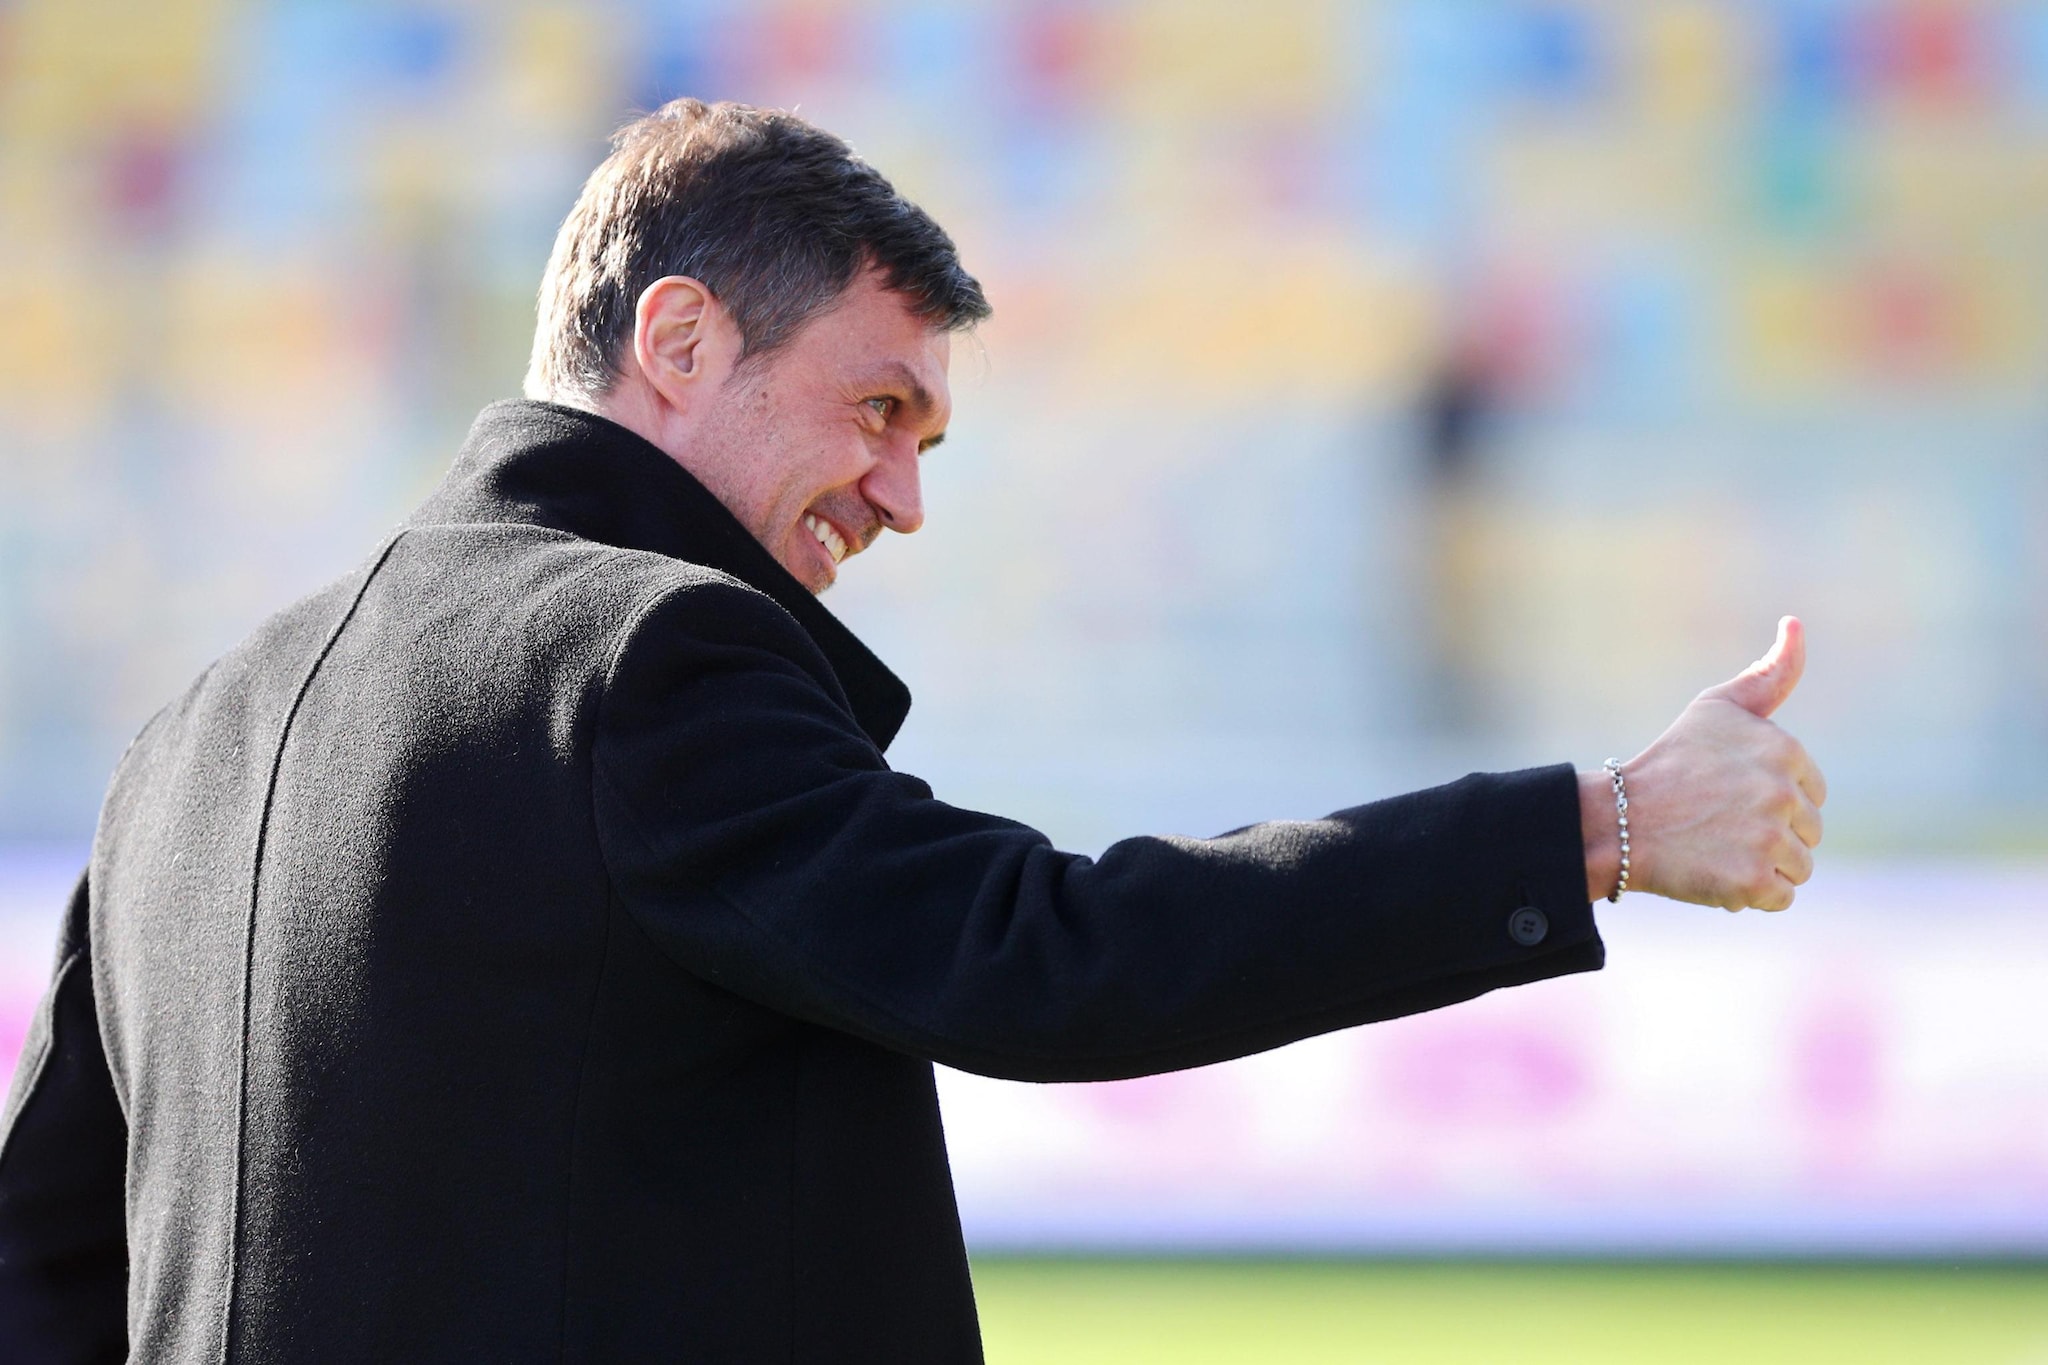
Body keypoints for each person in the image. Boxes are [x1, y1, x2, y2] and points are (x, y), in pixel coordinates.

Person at [0, 99, 1825, 1363]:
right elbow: (1054, 956)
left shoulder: (188, 736)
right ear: (680, 340)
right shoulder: (649, 654)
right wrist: (1597, 824)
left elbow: (44, 1255)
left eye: (927, 440)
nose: (903, 496)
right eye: (879, 409)